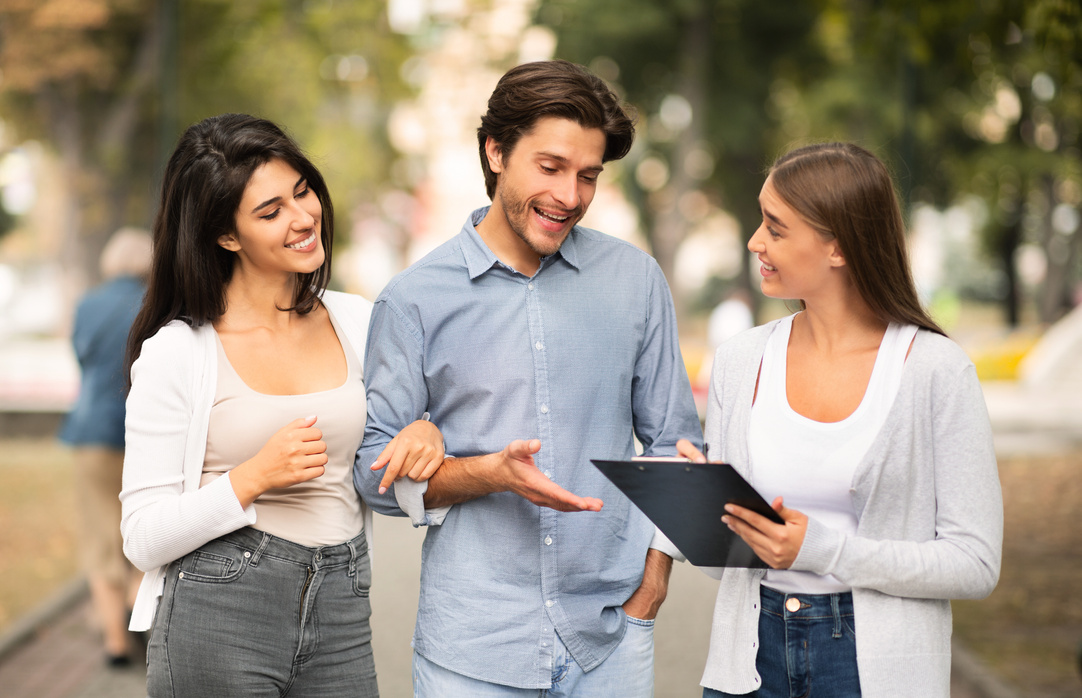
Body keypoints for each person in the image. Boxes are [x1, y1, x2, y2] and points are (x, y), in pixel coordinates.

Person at [354, 59, 702, 696]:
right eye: (550, 168)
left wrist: (653, 583)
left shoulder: (635, 281)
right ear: (495, 152)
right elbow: (373, 477)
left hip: (611, 643)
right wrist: (483, 473)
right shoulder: (412, 301)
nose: (569, 197)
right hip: (472, 648)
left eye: (588, 176)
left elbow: (674, 445)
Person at [120, 113, 444, 697]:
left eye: (302, 192)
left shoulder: (360, 321)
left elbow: (404, 432)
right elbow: (142, 539)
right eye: (270, 213)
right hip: (221, 609)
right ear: (226, 235)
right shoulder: (179, 352)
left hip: (341, 603)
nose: (303, 218)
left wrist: (426, 430)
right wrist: (252, 477)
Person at [676, 143, 1003, 697]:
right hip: (748, 664)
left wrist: (824, 551)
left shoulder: (935, 371)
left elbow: (975, 563)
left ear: (838, 247)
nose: (755, 241)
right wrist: (697, 504)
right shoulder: (740, 361)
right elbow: (722, 566)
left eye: (776, 228)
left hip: (872, 672)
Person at [59, 226, 152, 667]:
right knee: (145, 525)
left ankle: (115, 643)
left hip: (93, 431)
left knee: (101, 536)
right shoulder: (158, 302)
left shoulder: (88, 304)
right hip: (146, 434)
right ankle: (137, 599)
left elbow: (79, 357)